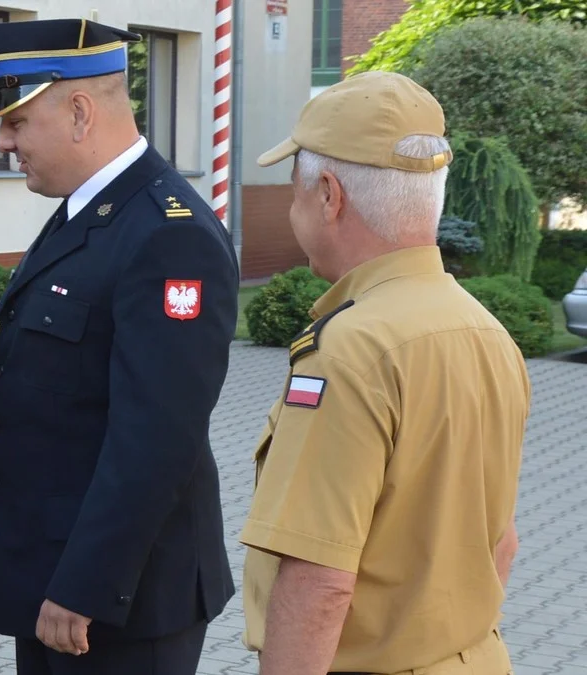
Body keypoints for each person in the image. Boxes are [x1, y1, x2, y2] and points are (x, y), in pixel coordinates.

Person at [0, 19, 239, 675]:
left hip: (121, 601)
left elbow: (157, 435)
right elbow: (47, 373)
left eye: (17, 122)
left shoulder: (168, 234)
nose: (4, 141)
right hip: (58, 576)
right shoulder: (90, 211)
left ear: (80, 112)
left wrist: (86, 584)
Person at [237, 71, 529, 675]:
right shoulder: (487, 332)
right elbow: (500, 541)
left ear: (329, 195)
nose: (294, 209)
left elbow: (320, 582)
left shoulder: (348, 351)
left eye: (295, 191)